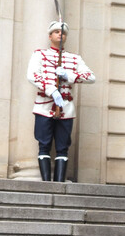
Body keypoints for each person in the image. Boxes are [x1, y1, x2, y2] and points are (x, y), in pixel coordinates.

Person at [26, 20, 96, 182]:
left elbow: (91, 77)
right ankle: (46, 183)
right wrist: (51, 89)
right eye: (57, 32)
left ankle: (59, 183)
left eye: (63, 32)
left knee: (62, 147)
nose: (60, 34)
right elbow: (32, 75)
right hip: (44, 106)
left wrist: (68, 75)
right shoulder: (39, 55)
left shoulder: (74, 59)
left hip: (66, 108)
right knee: (43, 144)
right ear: (50, 35)